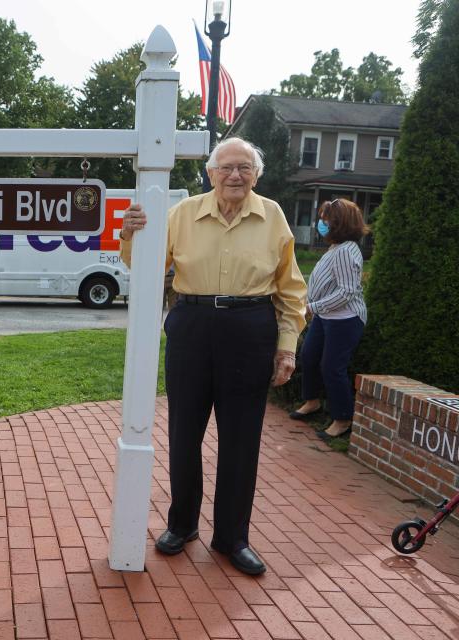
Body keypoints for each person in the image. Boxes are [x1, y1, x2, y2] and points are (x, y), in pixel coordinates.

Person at [120, 137, 307, 576]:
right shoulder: (182, 214)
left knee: (241, 441)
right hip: (192, 325)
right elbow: (142, 264)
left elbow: (291, 289)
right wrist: (128, 236)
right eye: (226, 168)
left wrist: (286, 345)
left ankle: (231, 537)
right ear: (210, 174)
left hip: (250, 328)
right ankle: (182, 525)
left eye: (244, 167)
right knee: (184, 433)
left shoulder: (273, 217)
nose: (235, 176)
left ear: (256, 175)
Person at [290, 199, 368, 438]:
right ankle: (312, 402)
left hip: (345, 319)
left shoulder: (345, 251)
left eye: (326, 219)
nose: (321, 223)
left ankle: (343, 419)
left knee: (332, 367)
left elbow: (347, 292)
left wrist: (312, 307)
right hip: (328, 316)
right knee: (309, 355)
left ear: (340, 222)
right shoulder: (337, 247)